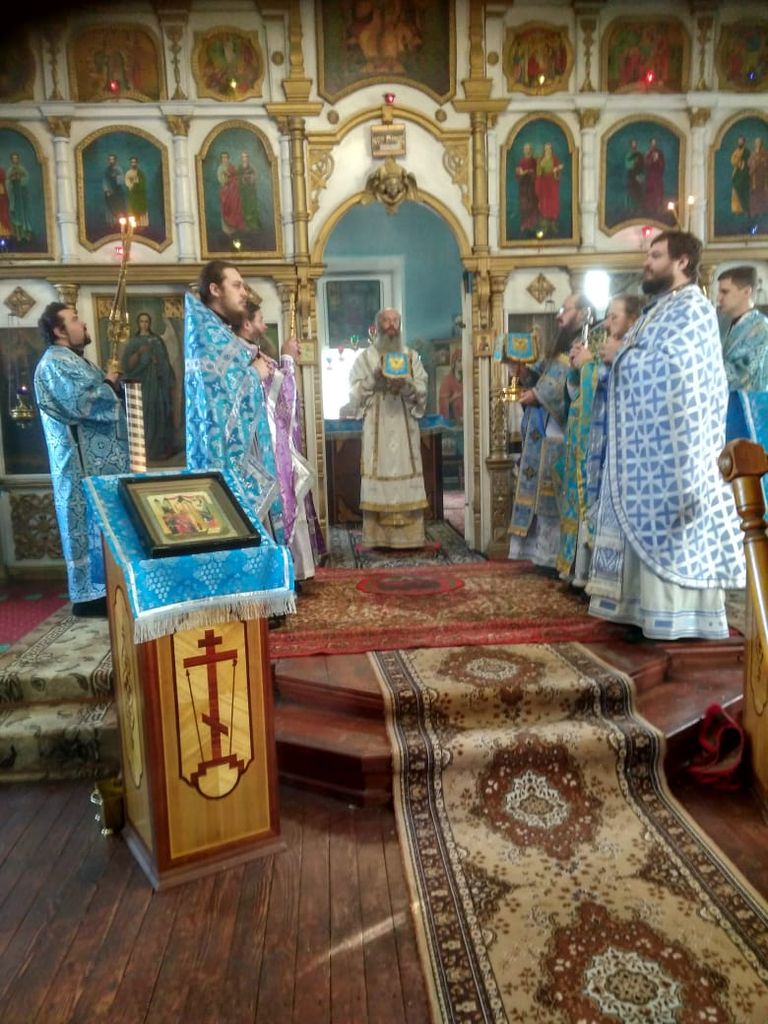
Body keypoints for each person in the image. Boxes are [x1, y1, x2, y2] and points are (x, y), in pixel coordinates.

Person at [587, 231, 746, 639]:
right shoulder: (659, 310)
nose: (647, 262)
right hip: (648, 450)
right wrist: (617, 359)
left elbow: (675, 373)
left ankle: (676, 619)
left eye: (656, 255)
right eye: (649, 254)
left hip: (678, 454)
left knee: (671, 532)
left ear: (682, 262)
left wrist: (620, 356)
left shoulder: (693, 310)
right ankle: (636, 610)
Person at [34, 302, 129, 616]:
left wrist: (114, 385)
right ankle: (89, 596)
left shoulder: (78, 362)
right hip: (79, 466)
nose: (83, 324)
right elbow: (80, 404)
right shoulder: (54, 363)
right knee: (85, 526)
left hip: (98, 466)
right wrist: (109, 383)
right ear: (59, 330)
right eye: (74, 319)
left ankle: (108, 588)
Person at [184, 260, 284, 540]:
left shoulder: (218, 331)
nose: (244, 292)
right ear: (215, 289)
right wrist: (254, 374)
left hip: (242, 452)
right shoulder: (207, 336)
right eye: (237, 285)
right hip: (225, 460)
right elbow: (218, 400)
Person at [237, 299, 325, 581]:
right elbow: (282, 397)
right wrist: (287, 358)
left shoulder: (251, 354)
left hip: (264, 445)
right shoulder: (246, 358)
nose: (265, 326)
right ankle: (276, 574)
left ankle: (288, 570)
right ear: (247, 324)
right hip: (261, 447)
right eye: (260, 320)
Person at [508, 293, 590, 569]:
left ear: (582, 313)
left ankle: (556, 558)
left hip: (559, 436)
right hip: (541, 434)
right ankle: (540, 556)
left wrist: (538, 395)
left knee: (552, 500)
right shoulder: (562, 346)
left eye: (566, 309)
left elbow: (565, 387)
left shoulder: (585, 344)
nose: (559, 315)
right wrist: (522, 372)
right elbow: (543, 374)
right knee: (538, 498)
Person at [347, 307, 429, 549]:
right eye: (386, 321)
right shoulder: (365, 358)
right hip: (378, 426)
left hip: (404, 428)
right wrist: (374, 377)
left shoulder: (411, 357)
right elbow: (354, 395)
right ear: (378, 325)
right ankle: (378, 537)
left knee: (406, 467)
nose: (391, 325)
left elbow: (423, 391)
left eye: (395, 320)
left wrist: (406, 384)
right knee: (378, 468)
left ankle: (410, 539)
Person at [121, 312, 177, 461]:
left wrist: (158, 362)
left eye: (146, 321)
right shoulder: (134, 342)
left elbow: (165, 361)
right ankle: (144, 450)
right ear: (138, 323)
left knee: (158, 412)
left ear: (150, 323)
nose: (144, 324)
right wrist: (139, 353)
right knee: (144, 413)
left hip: (157, 383)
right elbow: (127, 366)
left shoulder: (157, 340)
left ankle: (158, 449)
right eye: (142, 321)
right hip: (142, 383)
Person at [717, 265, 768, 394]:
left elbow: (741, 375)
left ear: (746, 292)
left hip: (749, 403)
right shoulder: (724, 324)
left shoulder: (761, 328)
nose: (718, 298)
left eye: (725, 292)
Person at [535, 143, 562, 236]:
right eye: (546, 149)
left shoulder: (555, 159)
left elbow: (558, 173)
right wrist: (539, 167)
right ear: (544, 150)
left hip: (552, 184)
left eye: (549, 149)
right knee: (544, 203)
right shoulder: (541, 160)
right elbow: (538, 173)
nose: (548, 151)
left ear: (551, 150)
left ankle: (553, 223)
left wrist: (556, 171)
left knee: (553, 203)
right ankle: (545, 224)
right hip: (544, 184)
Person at [216, 151, 243, 236]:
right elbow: (221, 179)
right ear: (221, 159)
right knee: (226, 208)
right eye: (223, 157)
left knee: (234, 207)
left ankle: (234, 228)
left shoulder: (232, 167)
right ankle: (227, 229)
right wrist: (226, 178)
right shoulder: (220, 168)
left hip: (233, 192)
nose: (225, 159)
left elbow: (236, 176)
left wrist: (231, 177)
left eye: (226, 157)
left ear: (228, 158)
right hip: (225, 191)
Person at [7, 152, 31, 242]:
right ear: (11, 160)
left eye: (16, 158)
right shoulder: (10, 170)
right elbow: (7, 182)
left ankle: (26, 234)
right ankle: (18, 235)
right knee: (16, 215)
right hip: (14, 196)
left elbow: (27, 178)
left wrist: (20, 179)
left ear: (18, 159)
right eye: (13, 158)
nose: (15, 160)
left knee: (24, 214)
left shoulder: (22, 169)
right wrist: (12, 180)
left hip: (22, 195)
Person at [515, 142, 539, 236]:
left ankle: (533, 224)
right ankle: (524, 224)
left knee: (532, 204)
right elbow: (518, 174)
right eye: (525, 149)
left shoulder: (534, 161)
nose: (527, 151)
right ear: (524, 151)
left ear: (531, 150)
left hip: (531, 186)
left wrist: (526, 172)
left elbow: (536, 173)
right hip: (524, 187)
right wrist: (522, 172)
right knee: (524, 205)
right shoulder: (521, 162)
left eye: (528, 149)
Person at [103, 153, 127, 228]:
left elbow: (121, 182)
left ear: (115, 160)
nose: (111, 161)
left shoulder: (119, 169)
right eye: (110, 159)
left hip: (118, 192)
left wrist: (116, 177)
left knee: (120, 208)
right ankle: (112, 223)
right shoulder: (107, 170)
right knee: (111, 208)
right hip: (110, 192)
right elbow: (105, 181)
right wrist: (107, 190)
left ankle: (122, 224)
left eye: (112, 159)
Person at [237, 151, 259, 232]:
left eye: (246, 157)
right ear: (241, 159)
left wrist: (250, 177)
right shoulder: (239, 167)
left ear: (248, 158)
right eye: (243, 157)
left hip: (250, 191)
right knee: (244, 207)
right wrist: (242, 178)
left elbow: (255, 176)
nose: (244, 159)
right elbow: (237, 177)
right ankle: (245, 225)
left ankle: (253, 224)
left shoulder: (251, 167)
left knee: (252, 206)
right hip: (243, 191)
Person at [124, 156, 148, 228]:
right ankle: (133, 226)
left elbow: (143, 183)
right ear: (130, 163)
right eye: (132, 162)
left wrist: (139, 183)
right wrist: (133, 183)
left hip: (140, 196)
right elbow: (128, 183)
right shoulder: (128, 173)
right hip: (133, 195)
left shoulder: (141, 173)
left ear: (137, 163)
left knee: (141, 210)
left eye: (134, 162)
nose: (133, 164)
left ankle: (142, 226)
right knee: (133, 210)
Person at [643, 138, 665, 217]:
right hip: (650, 176)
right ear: (650, 144)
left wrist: (658, 160)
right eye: (652, 143)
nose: (653, 145)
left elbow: (662, 164)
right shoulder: (648, 153)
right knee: (650, 193)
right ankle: (650, 209)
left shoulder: (660, 153)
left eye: (654, 143)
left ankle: (658, 208)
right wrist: (652, 160)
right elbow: (645, 164)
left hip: (657, 175)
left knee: (658, 192)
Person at [730, 135, 751, 216]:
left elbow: (749, 162)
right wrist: (738, 163)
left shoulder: (747, 151)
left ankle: (745, 209)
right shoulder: (736, 151)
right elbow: (732, 160)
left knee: (744, 191)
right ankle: (737, 210)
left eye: (741, 141)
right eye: (739, 141)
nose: (740, 143)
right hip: (737, 174)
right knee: (736, 191)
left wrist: (743, 164)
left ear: (744, 142)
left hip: (744, 174)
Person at [748, 137, 768, 218]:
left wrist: (764, 162)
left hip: (762, 176)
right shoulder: (753, 153)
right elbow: (749, 163)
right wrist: (754, 163)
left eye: (759, 142)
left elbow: (766, 164)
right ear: (755, 144)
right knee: (754, 194)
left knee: (762, 193)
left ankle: (762, 211)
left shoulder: (765, 153)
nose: (758, 144)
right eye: (757, 143)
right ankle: (754, 211)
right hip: (754, 177)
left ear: (761, 144)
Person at [624, 139, 644, 215]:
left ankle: (639, 208)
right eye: (633, 144)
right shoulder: (628, 155)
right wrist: (633, 162)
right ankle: (631, 209)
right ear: (631, 146)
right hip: (631, 176)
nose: (634, 146)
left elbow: (642, 166)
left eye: (635, 144)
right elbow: (627, 165)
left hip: (638, 176)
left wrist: (640, 176)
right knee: (631, 192)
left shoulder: (639, 154)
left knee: (638, 192)